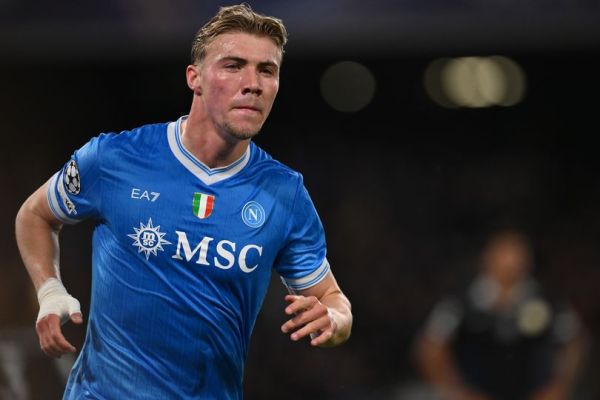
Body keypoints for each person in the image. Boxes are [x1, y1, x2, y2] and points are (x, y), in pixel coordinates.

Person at [14, 4, 353, 399]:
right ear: (195, 78)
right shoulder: (114, 158)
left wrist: (333, 320)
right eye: (233, 66)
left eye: (267, 70)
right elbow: (35, 214)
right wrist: (49, 291)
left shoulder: (285, 194)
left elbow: (333, 300)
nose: (253, 83)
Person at [414, 228, 587, 400]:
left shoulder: (547, 300)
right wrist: (455, 391)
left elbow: (574, 342)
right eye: (504, 253)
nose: (512, 262)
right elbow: (430, 347)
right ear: (487, 257)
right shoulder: (461, 300)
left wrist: (559, 387)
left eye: (518, 253)